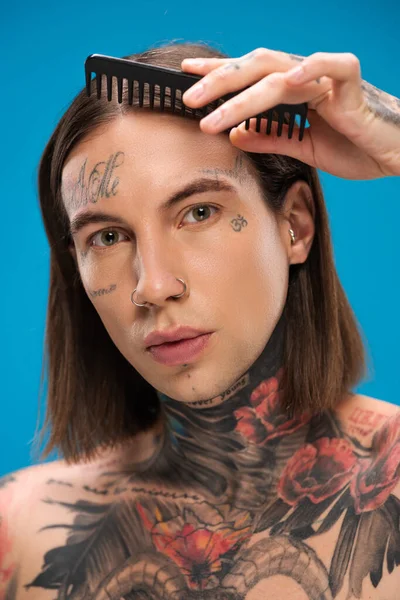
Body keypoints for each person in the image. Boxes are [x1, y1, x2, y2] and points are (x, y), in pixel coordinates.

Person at [1, 41, 399, 600]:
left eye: (199, 212)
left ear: (296, 226)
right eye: (108, 237)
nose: (154, 285)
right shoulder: (20, 533)